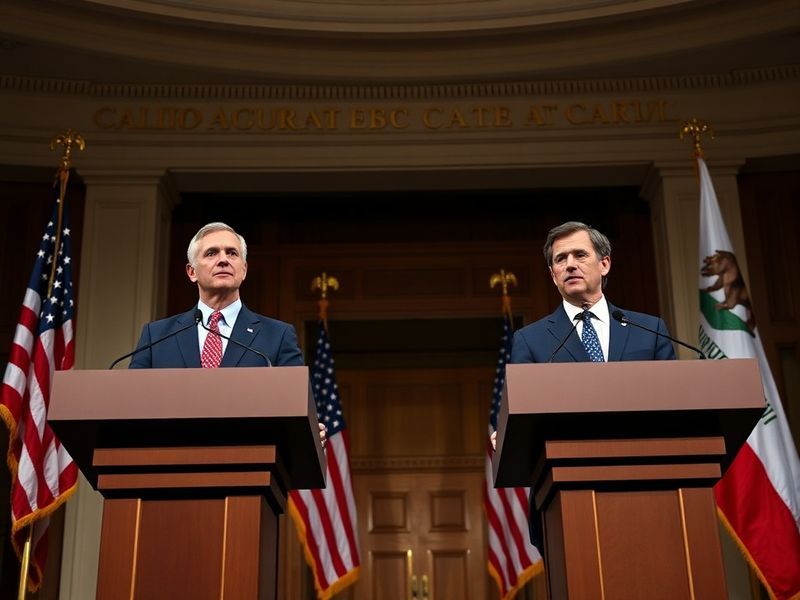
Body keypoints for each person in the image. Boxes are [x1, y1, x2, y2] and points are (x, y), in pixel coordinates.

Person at [129, 221, 326, 445]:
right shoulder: (156, 335)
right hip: (170, 456)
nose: (223, 259)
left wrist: (307, 430)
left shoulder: (278, 336)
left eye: (232, 253)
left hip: (251, 458)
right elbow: (132, 404)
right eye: (211, 253)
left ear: (244, 269)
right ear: (192, 272)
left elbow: (296, 408)